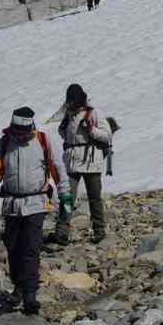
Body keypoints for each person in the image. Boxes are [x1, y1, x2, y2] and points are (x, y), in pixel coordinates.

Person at [0, 106, 72, 315]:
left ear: (31, 128)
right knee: (13, 248)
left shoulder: (43, 141)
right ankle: (19, 287)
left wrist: (65, 197)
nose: (21, 137)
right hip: (12, 205)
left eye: (24, 133)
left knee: (30, 248)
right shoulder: (5, 143)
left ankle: (30, 295)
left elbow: (58, 169)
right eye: (17, 133)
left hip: (36, 203)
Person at [47, 83, 112, 246]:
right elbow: (65, 134)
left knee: (94, 198)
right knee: (68, 198)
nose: (70, 104)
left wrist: (91, 131)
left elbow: (107, 135)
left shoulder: (94, 113)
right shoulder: (69, 115)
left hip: (91, 162)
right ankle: (62, 232)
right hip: (74, 162)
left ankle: (99, 230)